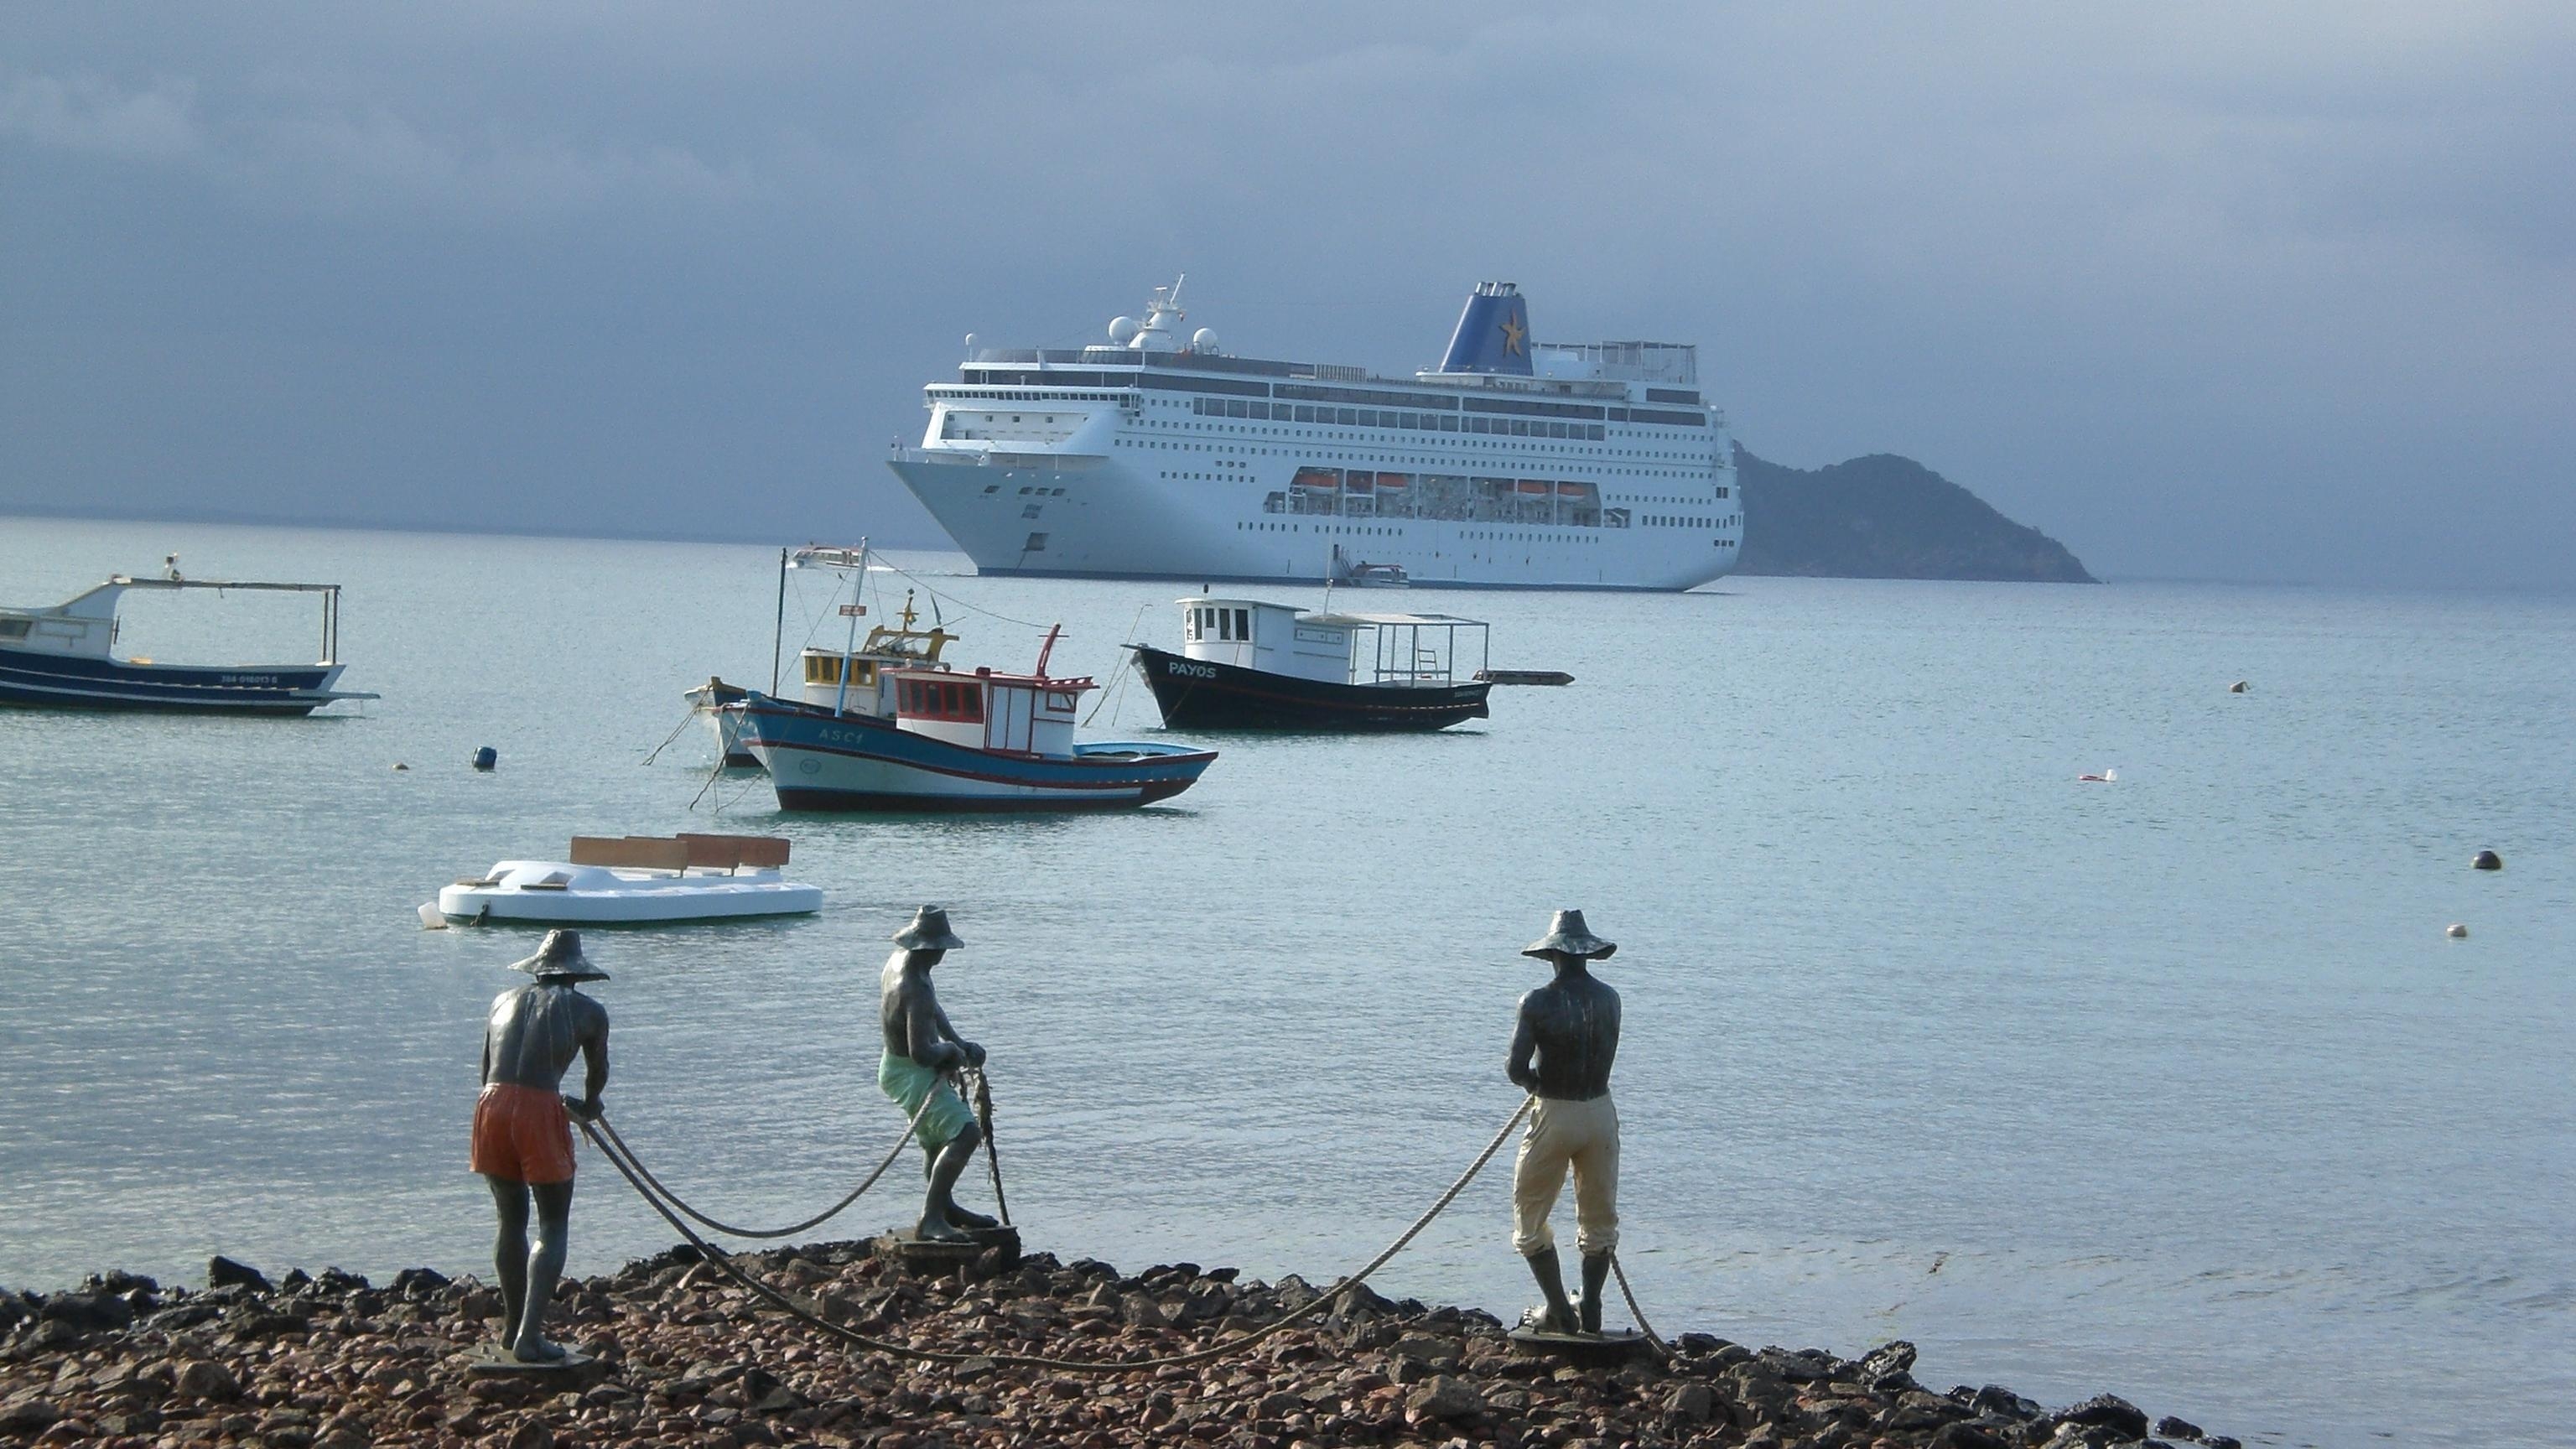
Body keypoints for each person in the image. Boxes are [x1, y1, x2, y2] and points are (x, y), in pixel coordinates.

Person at [471, 928, 610, 1363]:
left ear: (538, 971)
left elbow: (485, 1069)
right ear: (575, 976)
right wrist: (587, 1107)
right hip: (536, 1110)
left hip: (491, 1105)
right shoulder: (588, 1011)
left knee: (509, 1221)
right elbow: (596, 1074)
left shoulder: (501, 1000)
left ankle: (513, 1330)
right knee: (553, 1225)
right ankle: (531, 1337)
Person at [1506, 908, 1623, 1334]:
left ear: (1553, 955)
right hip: (1599, 1113)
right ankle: (1590, 1305)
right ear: (1586, 955)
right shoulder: (1610, 998)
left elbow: (1516, 1067)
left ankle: (1558, 1308)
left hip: (1555, 1110)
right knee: (1599, 1218)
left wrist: (1534, 1082)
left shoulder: (1537, 1001)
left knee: (1530, 1217)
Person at [878, 906, 996, 1243]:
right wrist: (951, 1053)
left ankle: (944, 1206)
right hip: (910, 1072)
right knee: (965, 1134)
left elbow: (930, 1012)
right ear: (932, 948)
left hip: (895, 1065)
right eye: (942, 947)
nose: (944, 953)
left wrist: (956, 1040)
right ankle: (930, 1218)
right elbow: (922, 1052)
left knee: (937, 1139)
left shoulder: (899, 961)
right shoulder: (915, 986)